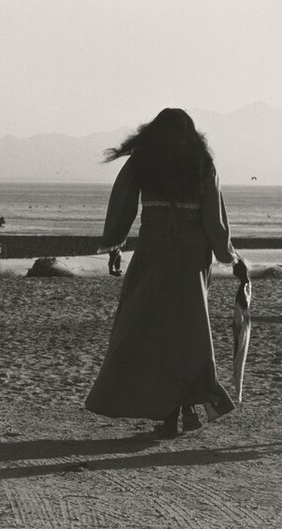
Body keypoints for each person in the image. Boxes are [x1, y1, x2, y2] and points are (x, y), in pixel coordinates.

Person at [85, 108, 247, 437]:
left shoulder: (144, 161)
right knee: (188, 335)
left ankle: (170, 414)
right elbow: (214, 220)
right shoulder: (201, 164)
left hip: (153, 254)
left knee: (148, 333)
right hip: (191, 259)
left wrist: (114, 244)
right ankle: (184, 408)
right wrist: (231, 257)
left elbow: (123, 205)